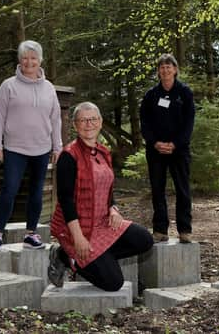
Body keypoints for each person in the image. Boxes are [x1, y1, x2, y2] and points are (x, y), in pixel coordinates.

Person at [48, 102, 153, 291]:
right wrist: (78, 237)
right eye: (83, 120)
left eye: (93, 119)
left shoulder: (103, 152)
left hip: (102, 222)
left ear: (100, 122)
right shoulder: (68, 156)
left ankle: (98, 257)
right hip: (77, 228)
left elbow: (108, 187)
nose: (89, 124)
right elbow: (65, 200)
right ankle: (65, 255)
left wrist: (113, 208)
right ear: (75, 125)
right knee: (113, 283)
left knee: (144, 240)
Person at [0, 40, 62, 253]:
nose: (29, 62)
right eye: (25, 58)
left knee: (36, 192)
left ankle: (31, 234)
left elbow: (56, 119)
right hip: (14, 148)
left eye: (34, 58)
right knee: (9, 189)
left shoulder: (49, 88)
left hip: (42, 148)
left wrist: (58, 147)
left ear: (40, 61)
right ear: (20, 60)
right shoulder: (8, 86)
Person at [140, 53, 196, 243]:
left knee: (182, 189)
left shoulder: (185, 93)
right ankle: (160, 229)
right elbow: (145, 124)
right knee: (158, 189)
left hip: (179, 150)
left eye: (168, 67)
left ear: (175, 69)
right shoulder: (150, 95)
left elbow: (189, 123)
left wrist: (175, 144)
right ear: (158, 71)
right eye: (162, 67)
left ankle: (185, 230)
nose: (165, 70)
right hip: (155, 150)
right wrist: (155, 143)